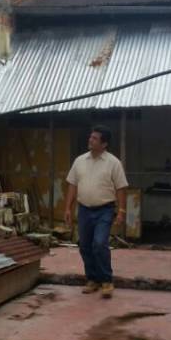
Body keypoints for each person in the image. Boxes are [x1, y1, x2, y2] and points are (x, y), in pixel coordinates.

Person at [63, 126, 128, 299]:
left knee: (99, 243)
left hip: (105, 210)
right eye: (90, 137)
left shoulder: (113, 163)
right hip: (84, 209)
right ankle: (92, 279)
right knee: (84, 245)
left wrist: (121, 211)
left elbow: (121, 188)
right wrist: (68, 208)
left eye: (95, 138)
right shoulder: (79, 161)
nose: (90, 140)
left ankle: (106, 280)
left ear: (104, 143)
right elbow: (72, 185)